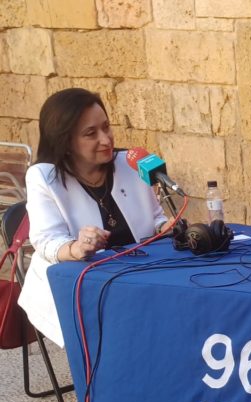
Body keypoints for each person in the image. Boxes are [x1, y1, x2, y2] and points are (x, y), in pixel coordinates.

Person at [18, 88, 170, 347]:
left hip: (139, 279)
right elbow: (46, 241)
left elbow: (155, 219)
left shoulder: (128, 163)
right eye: (91, 134)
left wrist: (167, 226)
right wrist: (77, 248)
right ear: (64, 142)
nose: (106, 139)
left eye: (106, 127)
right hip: (84, 290)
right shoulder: (43, 177)